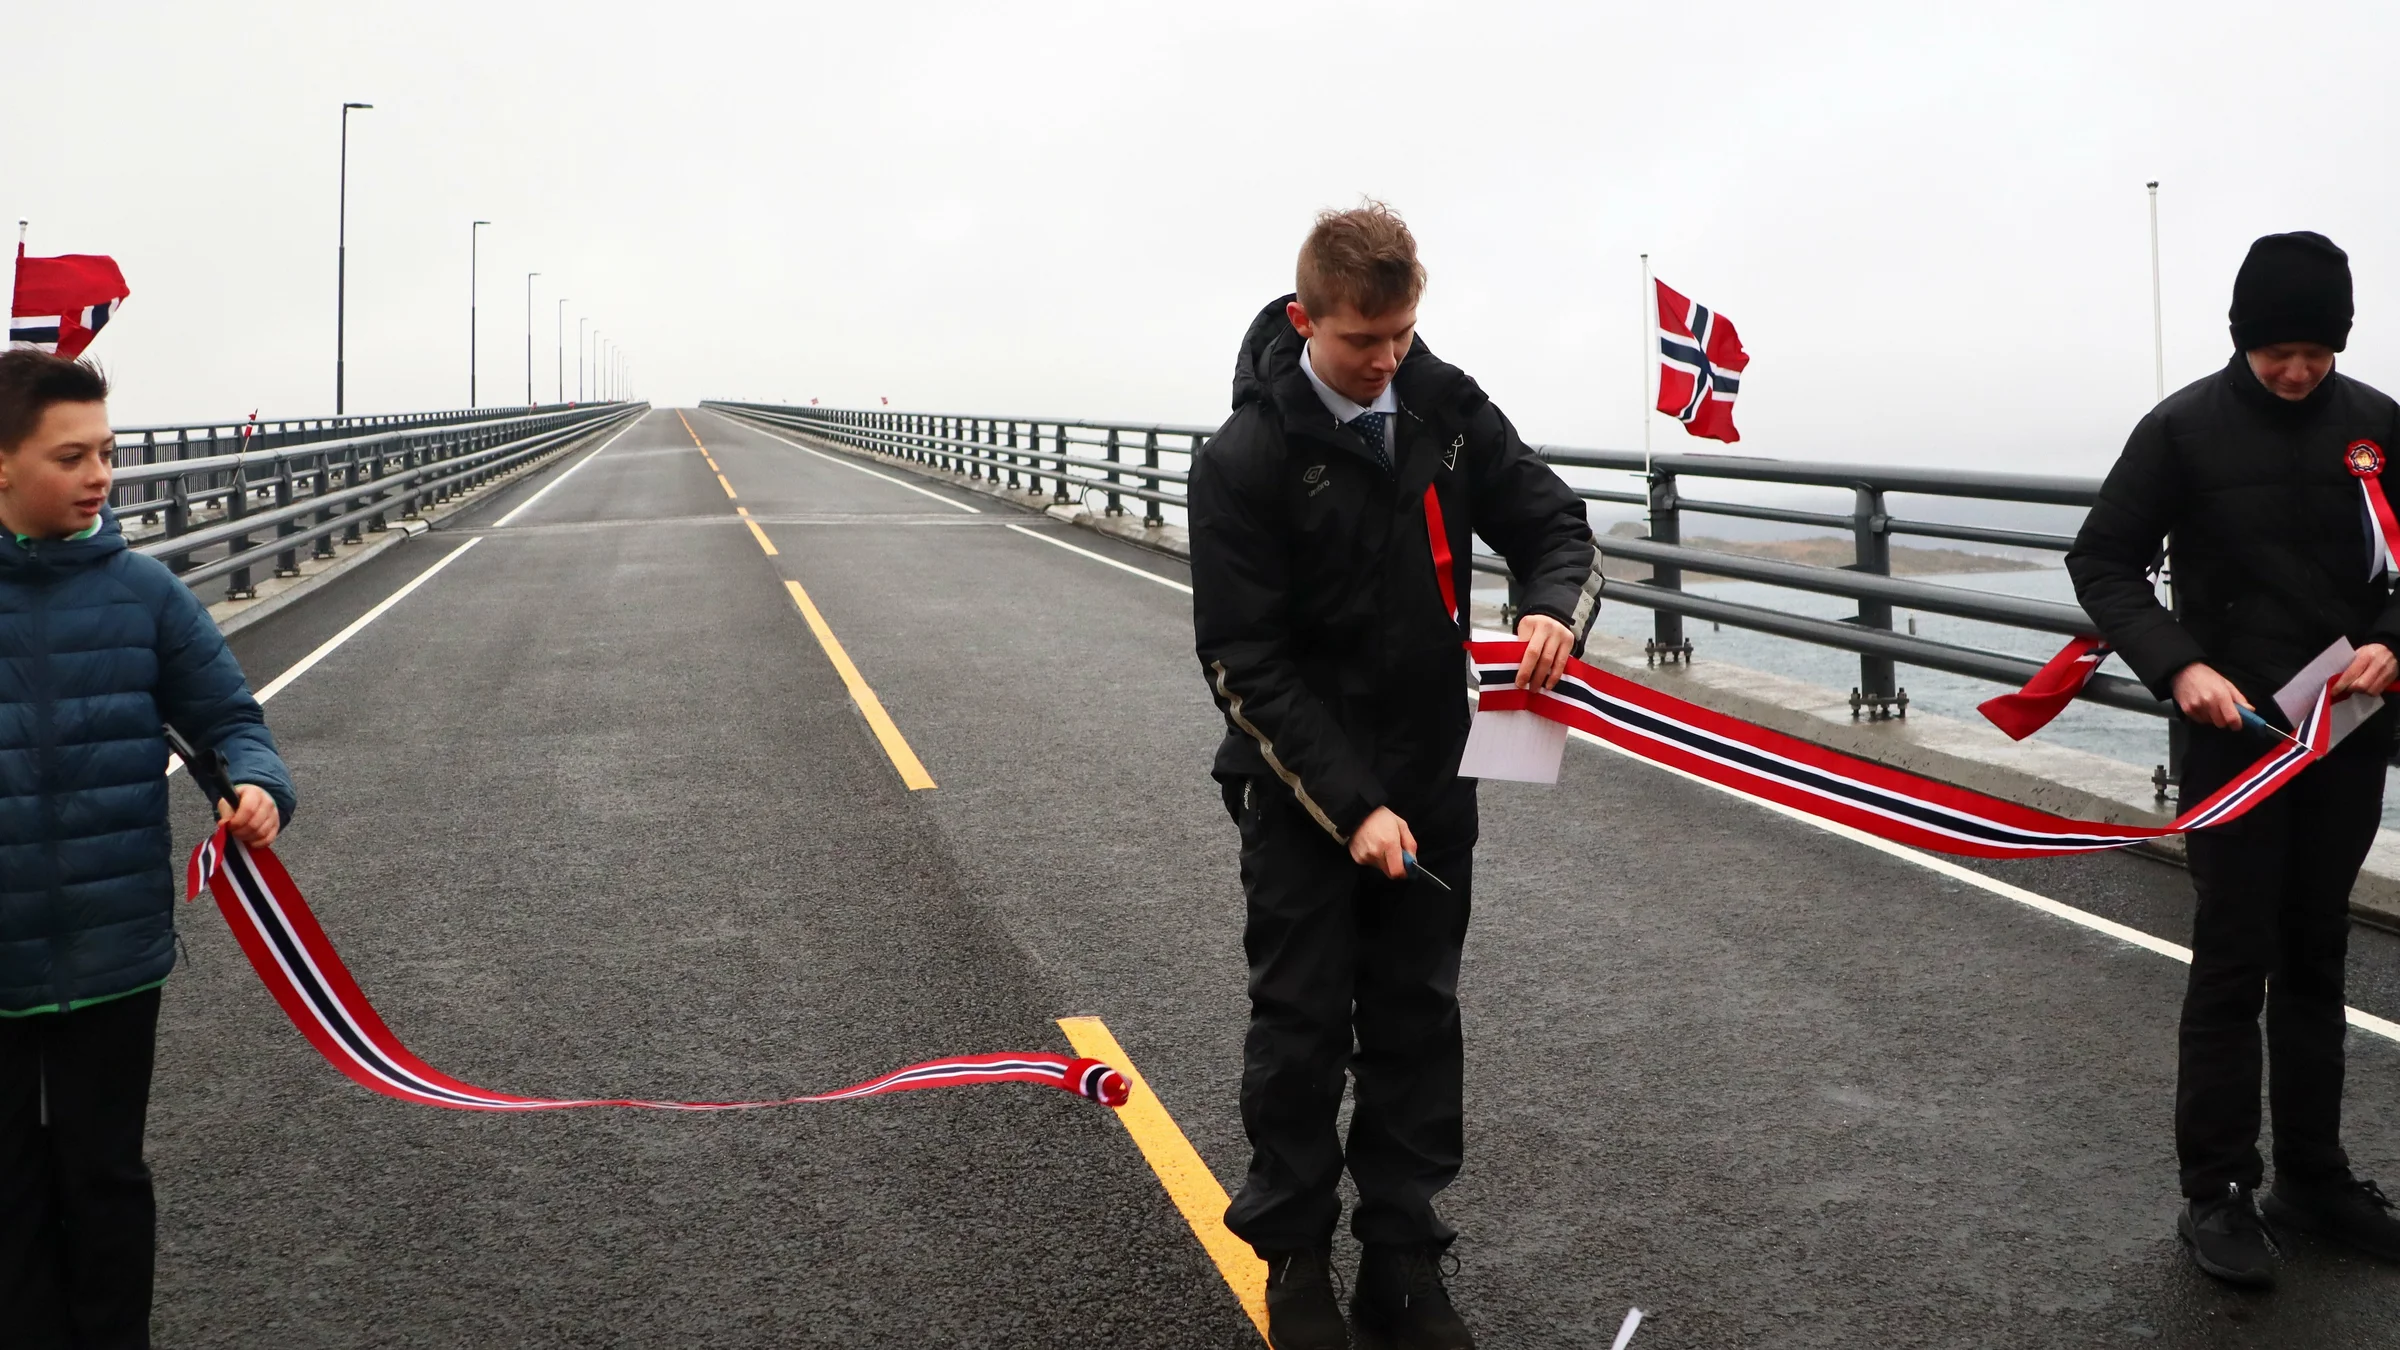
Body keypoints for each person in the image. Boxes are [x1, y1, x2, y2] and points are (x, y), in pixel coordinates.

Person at [1189, 203, 1598, 1350]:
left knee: (1418, 1022)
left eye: (1403, 336)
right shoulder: (1244, 457)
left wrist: (1549, 606)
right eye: (1364, 342)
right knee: (1303, 1025)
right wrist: (1352, 807)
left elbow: (1555, 522)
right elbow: (1243, 664)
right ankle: (1297, 1260)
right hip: (1301, 789)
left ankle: (1404, 1261)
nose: (1386, 364)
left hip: (1432, 774)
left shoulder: (1444, 405)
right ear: (1308, 316)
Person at [2069, 231, 2400, 1289]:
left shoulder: (2380, 426)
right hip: (2231, 744)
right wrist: (2179, 668)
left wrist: (2398, 641)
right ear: (2240, 340)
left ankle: (2312, 1175)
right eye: (2277, 355)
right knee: (2232, 962)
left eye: (2316, 353)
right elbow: (2103, 560)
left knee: (2317, 957)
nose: (2298, 373)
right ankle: (2215, 1192)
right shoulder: (2182, 430)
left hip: (2345, 735)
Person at [0, 351, 294, 1348]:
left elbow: (230, 721)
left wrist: (258, 788)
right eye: (70, 455)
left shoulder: (144, 595)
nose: (99, 477)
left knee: (106, 1179)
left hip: (114, 948)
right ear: (1, 465)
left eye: (109, 453)